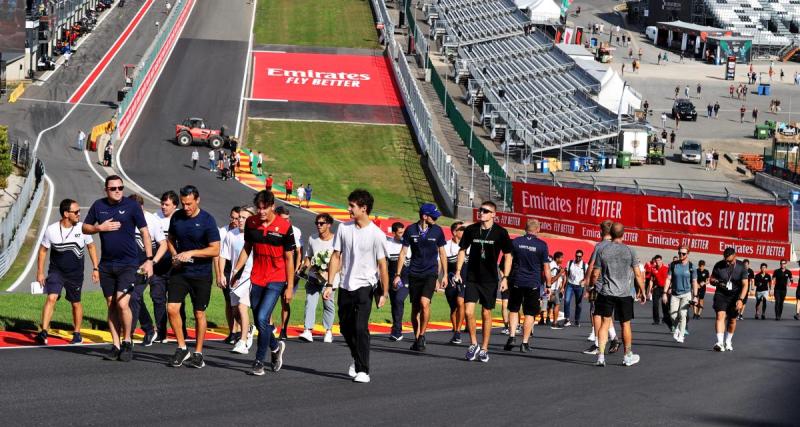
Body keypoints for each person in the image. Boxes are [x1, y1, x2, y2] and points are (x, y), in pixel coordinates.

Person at [83, 175, 154, 362]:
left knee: (123, 303)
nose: (117, 191)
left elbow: (145, 232)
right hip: (106, 265)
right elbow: (84, 227)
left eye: (120, 188)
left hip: (128, 264)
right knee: (111, 304)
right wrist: (100, 228)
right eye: (113, 188)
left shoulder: (131, 206)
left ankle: (127, 340)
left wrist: (148, 259)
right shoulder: (98, 206)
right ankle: (115, 344)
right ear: (106, 190)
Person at [323, 189, 389, 383]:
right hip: (345, 284)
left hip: (365, 286)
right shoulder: (344, 228)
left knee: (360, 328)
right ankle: (356, 356)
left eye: (352, 206)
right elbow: (336, 256)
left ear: (363, 208)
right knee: (344, 327)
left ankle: (363, 370)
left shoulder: (377, 234)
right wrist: (329, 283)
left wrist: (384, 292)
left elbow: (383, 265)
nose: (348, 209)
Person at [230, 190, 294, 375]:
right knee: (260, 321)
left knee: (261, 318)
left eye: (265, 208)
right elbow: (247, 248)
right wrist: (236, 271)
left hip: (276, 278)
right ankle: (275, 347)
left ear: (272, 206)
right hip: (257, 276)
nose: (261, 212)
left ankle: (259, 361)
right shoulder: (251, 223)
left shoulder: (284, 227)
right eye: (259, 208)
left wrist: (289, 287)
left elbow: (289, 259)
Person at [166, 185, 220, 368]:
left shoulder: (207, 220)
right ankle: (182, 348)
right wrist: (175, 256)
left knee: (199, 313)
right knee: (172, 308)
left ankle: (198, 352)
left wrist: (192, 253)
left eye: (189, 204)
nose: (186, 207)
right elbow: (170, 239)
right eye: (183, 204)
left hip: (201, 274)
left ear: (197, 200)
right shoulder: (177, 216)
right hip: (180, 272)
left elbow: (215, 249)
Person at [453, 201, 513, 363]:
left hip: (490, 280)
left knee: (486, 313)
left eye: (486, 211)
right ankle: (474, 344)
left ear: (493, 214)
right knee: (468, 312)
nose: (482, 213)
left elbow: (508, 255)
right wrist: (458, 272)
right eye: (480, 210)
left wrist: (505, 278)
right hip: (472, 277)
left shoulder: (501, 232)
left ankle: (484, 348)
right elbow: (462, 250)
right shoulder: (472, 230)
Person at [35, 199, 99, 345]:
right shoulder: (51, 230)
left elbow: (91, 247)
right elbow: (43, 251)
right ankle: (43, 332)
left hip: (75, 274)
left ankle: (77, 333)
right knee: (51, 298)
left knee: (75, 303)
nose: (79, 214)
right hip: (56, 271)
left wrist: (95, 268)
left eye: (79, 211)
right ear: (66, 214)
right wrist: (40, 272)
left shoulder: (83, 228)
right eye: (76, 212)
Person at [590, 222, 645, 367]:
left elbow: (595, 273)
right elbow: (638, 273)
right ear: (623, 234)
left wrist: (592, 285)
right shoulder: (630, 250)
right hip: (624, 293)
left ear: (611, 233)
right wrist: (643, 291)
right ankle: (627, 356)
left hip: (606, 292)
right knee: (625, 324)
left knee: (605, 323)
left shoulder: (603, 250)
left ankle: (601, 357)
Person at [395, 203, 447, 351]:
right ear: (425, 216)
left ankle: (423, 335)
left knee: (425, 303)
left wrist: (443, 276)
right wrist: (398, 275)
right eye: (433, 216)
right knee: (415, 308)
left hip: (430, 273)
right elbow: (403, 253)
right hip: (414, 273)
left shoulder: (437, 231)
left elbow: (442, 253)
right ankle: (417, 337)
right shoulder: (410, 230)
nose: (436, 219)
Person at [503, 219, 550, 353]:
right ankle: (524, 342)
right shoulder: (542, 245)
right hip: (533, 283)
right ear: (538, 230)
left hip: (517, 280)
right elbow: (546, 267)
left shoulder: (516, 241)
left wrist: (505, 278)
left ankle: (512, 336)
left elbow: (509, 260)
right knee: (530, 313)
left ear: (525, 228)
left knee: (513, 309)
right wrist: (549, 285)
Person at [129, 194, 168, 347]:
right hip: (128, 266)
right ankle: (148, 328)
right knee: (133, 298)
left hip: (145, 266)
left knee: (134, 296)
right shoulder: (125, 218)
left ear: (142, 208)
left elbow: (163, 244)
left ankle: (129, 335)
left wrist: (152, 262)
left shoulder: (152, 221)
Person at [219, 205, 256, 354]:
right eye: (239, 217)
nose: (240, 220)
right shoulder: (231, 234)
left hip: (250, 276)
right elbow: (223, 255)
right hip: (234, 277)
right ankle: (249, 329)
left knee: (242, 307)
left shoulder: (255, 235)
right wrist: (221, 274)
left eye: (243, 218)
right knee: (235, 311)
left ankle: (243, 342)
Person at [153, 190, 187, 343]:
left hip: (176, 268)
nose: (163, 207)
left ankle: (182, 330)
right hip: (159, 267)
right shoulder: (154, 218)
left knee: (177, 301)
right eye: (162, 204)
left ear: (175, 205)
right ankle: (161, 332)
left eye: (167, 205)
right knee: (157, 299)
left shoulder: (182, 218)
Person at [298, 213, 337, 343]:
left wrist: (329, 273)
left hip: (330, 279)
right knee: (310, 301)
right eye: (317, 223)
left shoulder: (336, 240)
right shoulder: (312, 238)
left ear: (329, 225)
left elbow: (341, 260)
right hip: (314, 276)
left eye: (322, 223)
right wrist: (303, 268)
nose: (318, 226)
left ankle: (328, 331)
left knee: (328, 304)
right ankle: (308, 330)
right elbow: (309, 256)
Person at [584, 220, 619, 355]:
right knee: (606, 313)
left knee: (597, 314)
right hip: (614, 285)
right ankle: (613, 338)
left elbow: (592, 266)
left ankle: (599, 343)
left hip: (599, 285)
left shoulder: (599, 246)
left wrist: (588, 283)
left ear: (601, 231)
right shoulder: (618, 246)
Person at [705, 247, 748, 351]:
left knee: (732, 320)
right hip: (721, 294)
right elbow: (711, 279)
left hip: (735, 296)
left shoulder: (742, 266)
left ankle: (728, 340)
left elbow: (745, 284)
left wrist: (741, 300)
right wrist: (716, 282)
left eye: (730, 261)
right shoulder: (719, 265)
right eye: (726, 260)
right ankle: (720, 343)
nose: (727, 263)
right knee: (720, 315)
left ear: (735, 256)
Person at [274, 205, 302, 340]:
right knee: (268, 301)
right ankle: (270, 326)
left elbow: (298, 252)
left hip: (289, 272)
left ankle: (284, 329)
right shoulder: (272, 228)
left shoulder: (295, 231)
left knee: (285, 302)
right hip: (274, 270)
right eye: (283, 219)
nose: (286, 222)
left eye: (288, 219)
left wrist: (296, 271)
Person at [664, 246, 696, 343]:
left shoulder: (691, 266)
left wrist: (695, 296)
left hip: (686, 294)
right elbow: (668, 279)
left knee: (683, 314)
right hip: (675, 294)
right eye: (679, 253)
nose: (681, 255)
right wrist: (665, 293)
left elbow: (694, 282)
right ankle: (677, 329)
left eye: (683, 254)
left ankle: (681, 335)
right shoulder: (673, 265)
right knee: (673, 315)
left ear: (687, 254)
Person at [385, 222, 410, 341]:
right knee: (394, 303)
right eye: (400, 233)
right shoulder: (387, 244)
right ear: (393, 233)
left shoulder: (408, 245)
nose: (402, 235)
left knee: (399, 299)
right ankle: (396, 329)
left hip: (406, 278)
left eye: (403, 232)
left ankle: (397, 329)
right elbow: (383, 263)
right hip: (391, 278)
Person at [444, 221, 466, 343]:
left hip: (465, 278)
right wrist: (440, 278)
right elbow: (441, 263)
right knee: (453, 307)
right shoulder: (446, 246)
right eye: (461, 229)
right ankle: (455, 329)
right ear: (454, 232)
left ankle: (458, 331)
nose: (464, 231)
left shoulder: (469, 245)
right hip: (451, 279)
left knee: (460, 301)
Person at [563, 249, 587, 327]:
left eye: (580, 256)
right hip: (570, 284)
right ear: (575, 255)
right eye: (577, 256)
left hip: (579, 286)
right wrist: (563, 286)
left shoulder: (584, 265)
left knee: (578, 304)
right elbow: (566, 274)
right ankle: (567, 319)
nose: (578, 258)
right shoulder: (570, 263)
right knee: (566, 301)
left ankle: (577, 320)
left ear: (582, 257)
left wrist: (584, 282)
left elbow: (588, 276)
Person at [648, 255, 670, 328]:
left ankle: (665, 318)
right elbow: (651, 280)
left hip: (665, 288)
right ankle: (656, 320)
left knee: (665, 305)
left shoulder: (666, 268)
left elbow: (670, 279)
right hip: (657, 288)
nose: (657, 262)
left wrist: (670, 288)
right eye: (656, 261)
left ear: (661, 260)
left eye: (659, 260)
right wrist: (649, 290)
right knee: (655, 304)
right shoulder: (653, 269)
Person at [547, 252, 566, 328]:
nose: (562, 259)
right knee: (557, 304)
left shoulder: (555, 265)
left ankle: (545, 319)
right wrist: (560, 273)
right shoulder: (553, 267)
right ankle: (555, 322)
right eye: (561, 258)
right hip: (552, 289)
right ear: (557, 258)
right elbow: (551, 280)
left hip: (553, 288)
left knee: (549, 305)